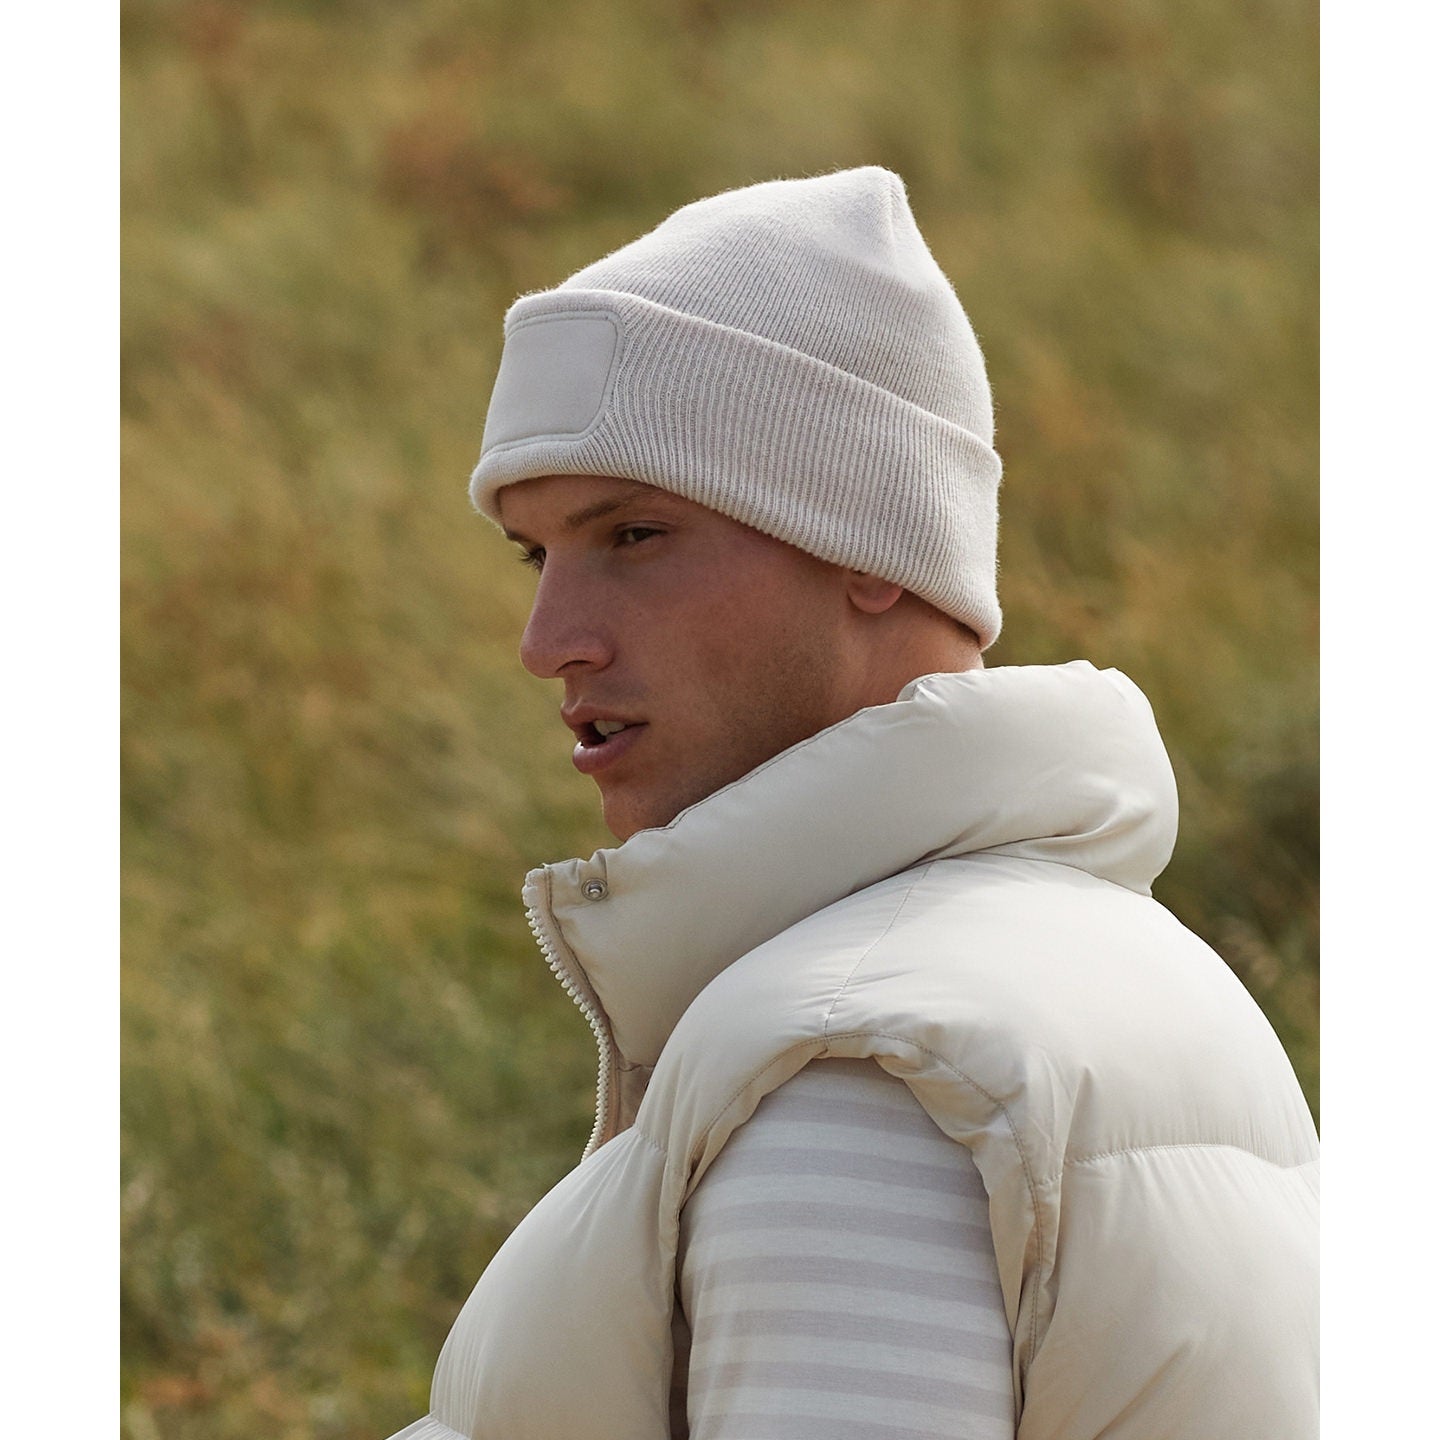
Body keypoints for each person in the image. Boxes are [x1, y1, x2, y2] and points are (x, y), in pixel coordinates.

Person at [388, 167, 1319, 1440]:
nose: (548, 641)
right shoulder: (1140, 978)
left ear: (871, 545)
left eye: (633, 536)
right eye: (535, 555)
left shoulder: (857, 1076)